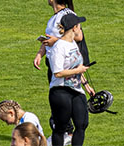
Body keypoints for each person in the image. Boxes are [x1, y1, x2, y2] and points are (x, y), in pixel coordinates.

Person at [47, 12, 91, 146]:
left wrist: (86, 85)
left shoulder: (73, 44)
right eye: (79, 25)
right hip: (60, 91)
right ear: (74, 27)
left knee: (81, 124)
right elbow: (58, 73)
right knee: (60, 128)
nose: (80, 28)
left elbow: (78, 66)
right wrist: (78, 70)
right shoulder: (58, 47)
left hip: (76, 89)